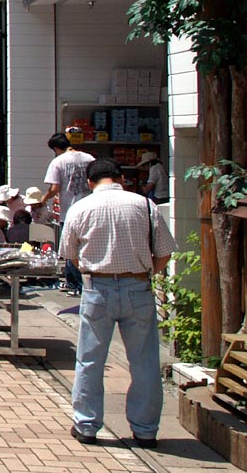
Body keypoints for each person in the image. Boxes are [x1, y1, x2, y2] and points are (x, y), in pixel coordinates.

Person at [62, 158, 174, 447]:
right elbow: (163, 254)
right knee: (145, 361)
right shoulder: (144, 205)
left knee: (90, 359)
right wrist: (142, 272)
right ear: (120, 177)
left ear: (90, 181)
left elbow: (71, 254)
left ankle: (87, 425)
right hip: (138, 285)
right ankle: (146, 430)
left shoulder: (81, 207)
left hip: (97, 287)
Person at [45, 132, 96, 295]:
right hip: (90, 208)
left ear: (55, 148)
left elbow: (55, 188)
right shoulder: (89, 158)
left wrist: (43, 199)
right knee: (87, 246)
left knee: (69, 247)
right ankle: (85, 282)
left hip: (70, 211)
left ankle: (74, 283)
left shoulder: (58, 161)